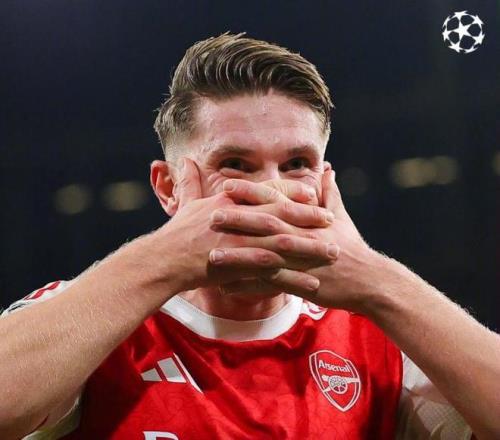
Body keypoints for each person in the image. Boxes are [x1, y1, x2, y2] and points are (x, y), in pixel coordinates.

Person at [0, 32, 498, 440]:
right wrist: (164, 259)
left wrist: (376, 280)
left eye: (297, 164)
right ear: (169, 188)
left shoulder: (379, 335)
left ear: (326, 184)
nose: (271, 192)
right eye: (236, 164)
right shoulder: (91, 317)